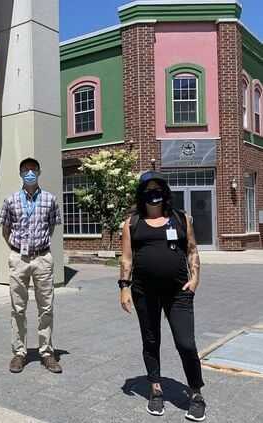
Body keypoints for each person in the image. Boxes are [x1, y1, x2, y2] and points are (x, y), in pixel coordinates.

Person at [119, 171, 206, 422]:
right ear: (142, 193)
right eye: (148, 188)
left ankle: (196, 392)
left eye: (158, 188)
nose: (153, 193)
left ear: (165, 192)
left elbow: (191, 249)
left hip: (178, 292)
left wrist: (196, 278)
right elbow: (126, 258)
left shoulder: (181, 219)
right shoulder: (132, 223)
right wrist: (124, 287)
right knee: (151, 339)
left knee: (186, 343)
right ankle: (155, 389)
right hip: (144, 292)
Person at [0, 157, 62, 374]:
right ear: (20, 173)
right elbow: (5, 230)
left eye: (33, 169)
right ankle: (19, 352)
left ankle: (46, 352)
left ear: (39, 172)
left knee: (46, 307)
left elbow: (51, 227)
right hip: (19, 258)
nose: (29, 173)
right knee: (18, 307)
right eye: (25, 170)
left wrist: (38, 248)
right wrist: (17, 250)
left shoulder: (50, 199)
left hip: (42, 257)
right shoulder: (10, 200)